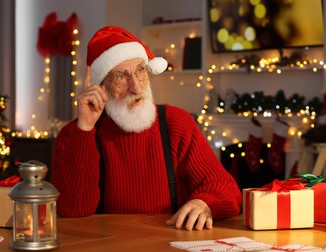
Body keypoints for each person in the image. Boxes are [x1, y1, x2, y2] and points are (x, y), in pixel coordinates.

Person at [51, 26, 242, 231]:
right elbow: (72, 209)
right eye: (121, 76)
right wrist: (85, 129)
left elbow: (227, 190)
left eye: (141, 70)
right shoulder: (75, 134)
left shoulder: (176, 123)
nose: (136, 87)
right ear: (100, 86)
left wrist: (204, 203)